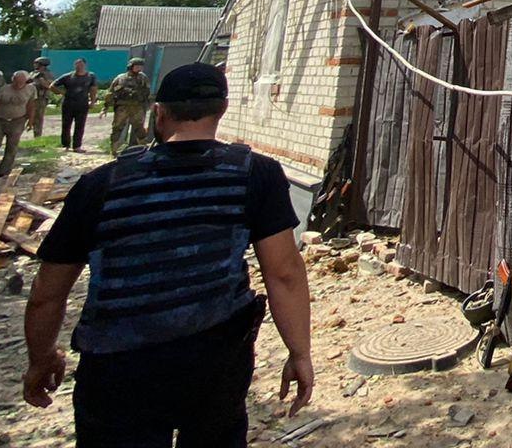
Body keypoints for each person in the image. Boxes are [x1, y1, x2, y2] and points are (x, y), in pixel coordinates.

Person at [22, 62, 314, 445]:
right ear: (222, 110)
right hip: (215, 360)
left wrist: (41, 358)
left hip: (118, 366)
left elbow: (48, 291)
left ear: (159, 112)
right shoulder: (254, 174)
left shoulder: (101, 184)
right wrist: (299, 353)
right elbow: (285, 273)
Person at [0, 70, 37, 177]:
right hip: (0, 119)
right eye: (16, 82)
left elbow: (31, 105)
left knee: (12, 146)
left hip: (18, 120)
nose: (18, 84)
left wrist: (31, 120)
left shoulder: (31, 89)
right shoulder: (4, 89)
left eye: (22, 82)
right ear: (13, 80)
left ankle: (4, 171)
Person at [106, 59, 152, 156]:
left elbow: (147, 93)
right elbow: (111, 92)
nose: (139, 68)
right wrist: (106, 106)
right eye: (137, 66)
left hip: (137, 107)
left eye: (141, 66)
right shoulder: (120, 78)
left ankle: (143, 150)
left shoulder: (143, 78)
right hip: (122, 108)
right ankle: (113, 150)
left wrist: (149, 104)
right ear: (131, 66)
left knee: (139, 129)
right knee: (117, 128)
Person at [52, 59, 99, 152]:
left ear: (85, 65)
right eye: (77, 64)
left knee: (80, 125)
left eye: (81, 64)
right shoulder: (68, 76)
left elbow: (93, 89)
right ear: (74, 65)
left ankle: (77, 146)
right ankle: (65, 145)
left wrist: (92, 101)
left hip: (82, 104)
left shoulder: (90, 76)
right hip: (68, 104)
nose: (79, 66)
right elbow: (52, 86)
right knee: (66, 125)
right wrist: (62, 93)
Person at [29, 57, 55, 137]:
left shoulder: (47, 74)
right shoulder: (33, 73)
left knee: (38, 118)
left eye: (36, 63)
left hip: (40, 98)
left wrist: (42, 81)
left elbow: (50, 86)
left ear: (42, 64)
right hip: (30, 98)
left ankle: (37, 136)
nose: (34, 65)